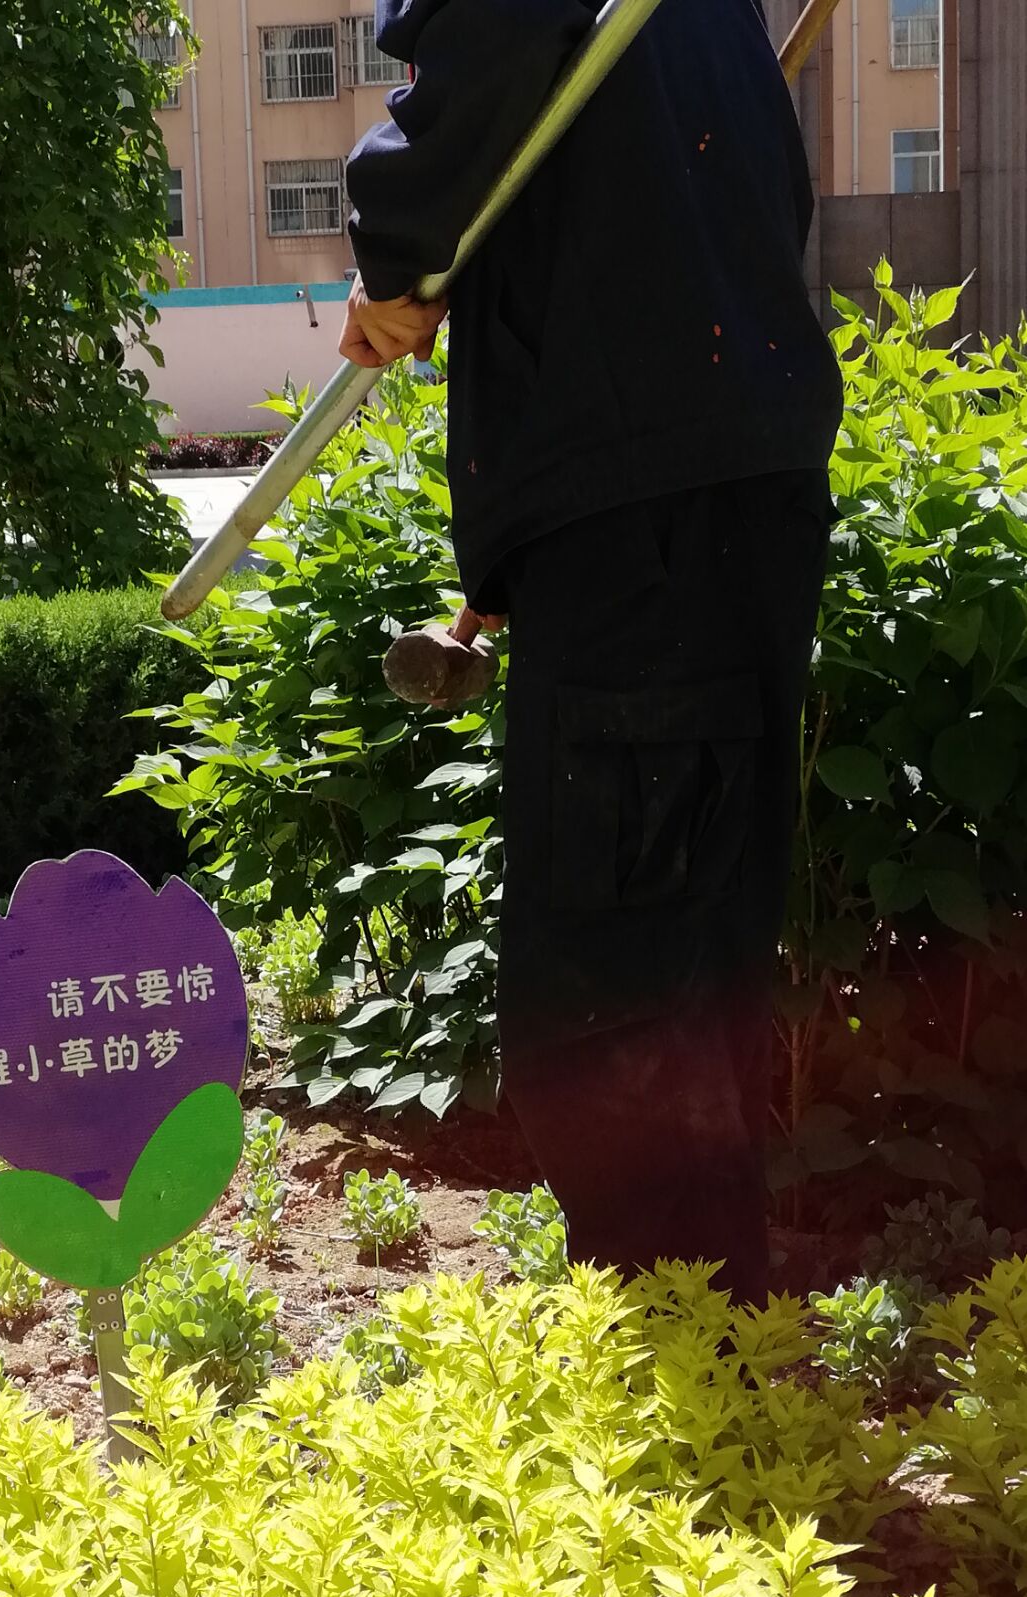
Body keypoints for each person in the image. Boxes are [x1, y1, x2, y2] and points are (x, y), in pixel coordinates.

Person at [339, 0, 843, 1304]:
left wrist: (397, 261)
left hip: (644, 508)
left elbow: (487, 42)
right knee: (692, 935)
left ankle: (668, 1359)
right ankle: (707, 1337)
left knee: (613, 966)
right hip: (731, 475)